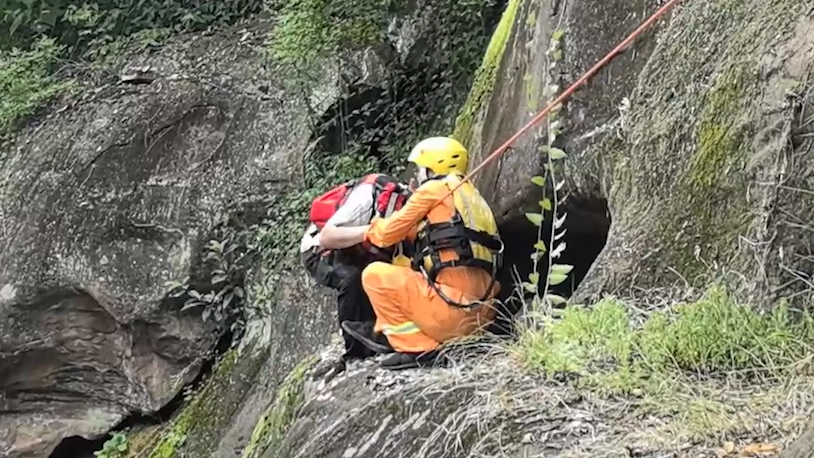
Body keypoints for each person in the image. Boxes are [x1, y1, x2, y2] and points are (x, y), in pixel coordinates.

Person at [339, 137, 504, 370]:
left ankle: (417, 347)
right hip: (484, 316)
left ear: (431, 168)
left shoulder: (432, 190)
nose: (416, 176)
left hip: (453, 315)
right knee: (404, 266)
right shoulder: (472, 199)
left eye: (419, 169)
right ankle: (386, 330)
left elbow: (387, 234)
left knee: (374, 274)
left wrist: (372, 226)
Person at [300, 173, 413, 362]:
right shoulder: (367, 198)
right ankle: (354, 352)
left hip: (362, 250)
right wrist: (372, 232)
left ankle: (387, 335)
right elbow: (328, 236)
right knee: (352, 279)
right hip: (321, 248)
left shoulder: (412, 208)